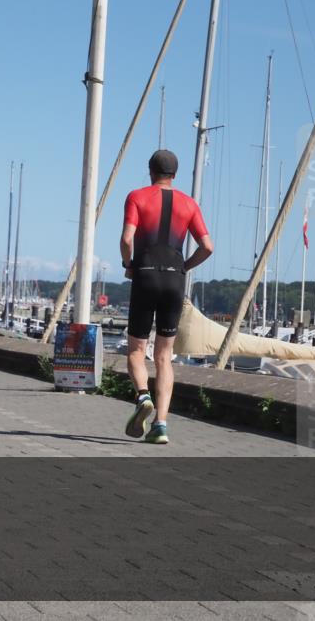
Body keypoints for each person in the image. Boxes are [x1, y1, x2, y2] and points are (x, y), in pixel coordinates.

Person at [120, 150, 213, 445]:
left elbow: (126, 239)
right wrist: (184, 267)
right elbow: (207, 246)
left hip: (145, 274)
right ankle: (160, 424)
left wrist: (128, 264)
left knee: (136, 350)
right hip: (175, 279)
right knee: (164, 357)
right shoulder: (189, 204)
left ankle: (143, 396)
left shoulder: (137, 196)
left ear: (150, 171)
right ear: (175, 174)